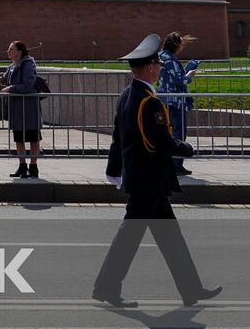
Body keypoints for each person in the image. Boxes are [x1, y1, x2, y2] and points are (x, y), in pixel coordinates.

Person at [93, 34, 220, 309]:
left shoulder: (129, 95)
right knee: (129, 238)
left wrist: (113, 169)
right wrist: (186, 148)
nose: (160, 69)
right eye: (158, 65)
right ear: (150, 67)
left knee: (170, 236)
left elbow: (119, 137)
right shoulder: (148, 102)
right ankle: (106, 287)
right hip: (148, 181)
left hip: (145, 180)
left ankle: (191, 289)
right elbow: (160, 142)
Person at [0, 40, 42, 179]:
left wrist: (10, 88)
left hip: (29, 107)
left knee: (33, 136)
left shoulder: (28, 64)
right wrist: (1, 84)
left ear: (20, 51)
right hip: (17, 107)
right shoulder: (11, 66)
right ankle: (22, 166)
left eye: (11, 49)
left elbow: (28, 85)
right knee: (19, 137)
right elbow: (6, 81)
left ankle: (33, 167)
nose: (8, 51)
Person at [158, 33, 198, 176]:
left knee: (166, 133)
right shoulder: (170, 59)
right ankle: (176, 165)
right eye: (181, 45)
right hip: (175, 102)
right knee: (179, 133)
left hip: (163, 100)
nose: (181, 48)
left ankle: (167, 163)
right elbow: (179, 81)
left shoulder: (160, 56)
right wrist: (189, 74)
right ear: (176, 45)